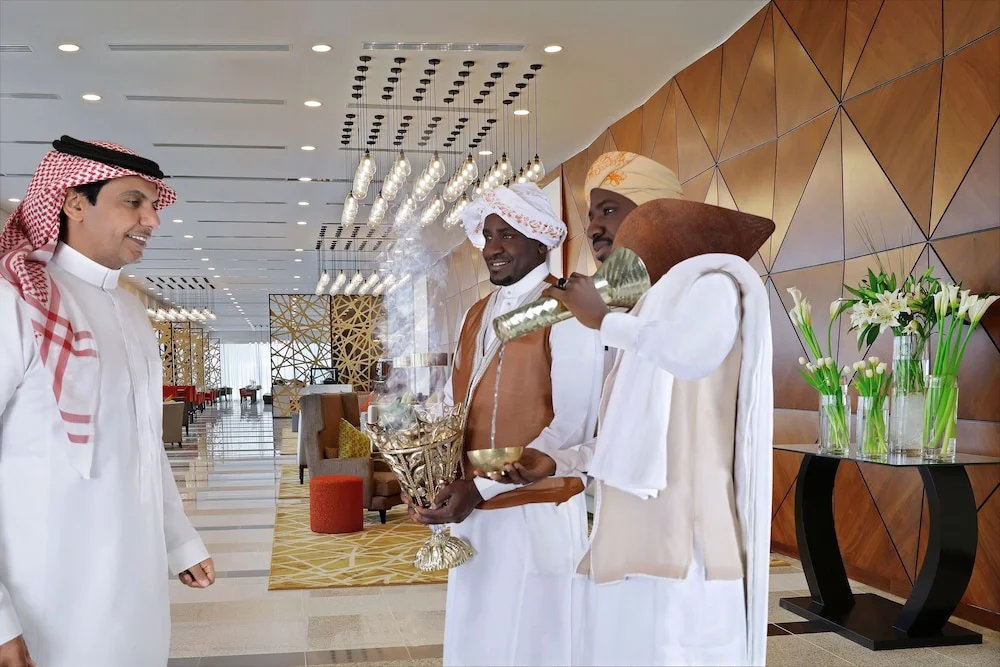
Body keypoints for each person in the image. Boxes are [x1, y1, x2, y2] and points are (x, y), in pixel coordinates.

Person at [490, 157, 776, 666]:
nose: (593, 227)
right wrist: (558, 461)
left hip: (687, 540)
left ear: (655, 212)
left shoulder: (710, 282)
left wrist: (603, 322)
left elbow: (692, 354)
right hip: (629, 531)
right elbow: (630, 435)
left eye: (609, 209)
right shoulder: (643, 311)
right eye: (590, 214)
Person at [0, 136, 215, 667]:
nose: (152, 220)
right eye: (133, 202)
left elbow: (144, 444)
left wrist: (179, 540)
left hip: (137, 582)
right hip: (45, 593)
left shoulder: (132, 312)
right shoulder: (14, 302)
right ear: (74, 203)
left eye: (153, 205)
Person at [406, 183, 604, 667]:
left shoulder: (565, 307)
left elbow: (571, 427)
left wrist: (482, 487)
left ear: (541, 241)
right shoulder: (476, 313)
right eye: (488, 235)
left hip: (536, 510)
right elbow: (455, 406)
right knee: (479, 636)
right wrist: (431, 480)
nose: (492, 248)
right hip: (472, 508)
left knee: (535, 640)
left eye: (508, 235)